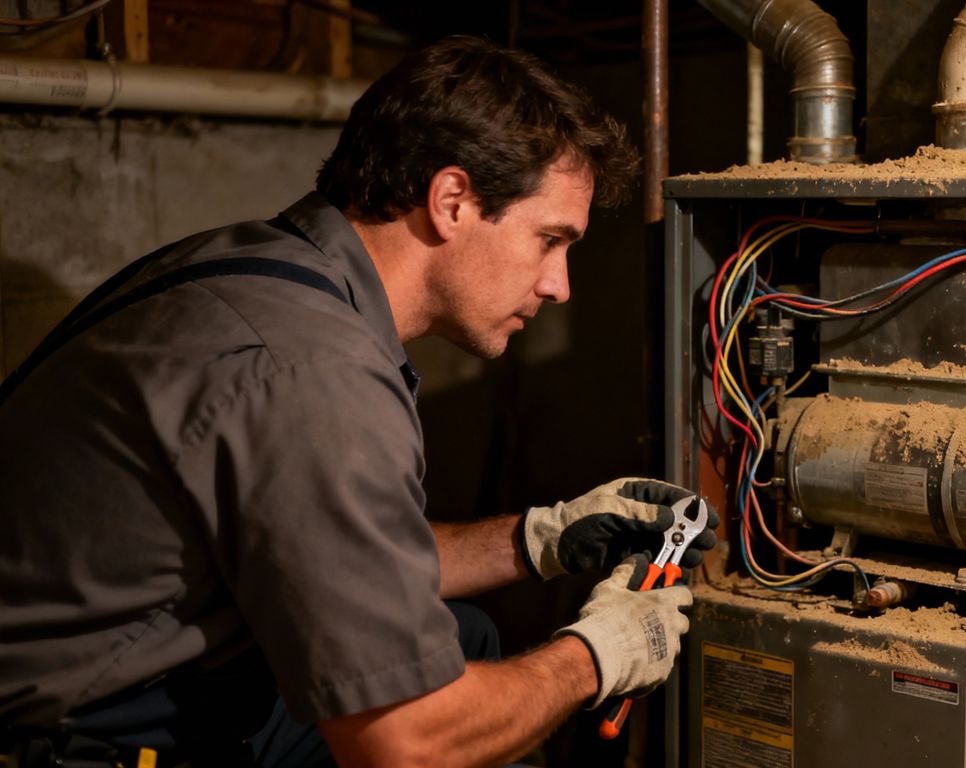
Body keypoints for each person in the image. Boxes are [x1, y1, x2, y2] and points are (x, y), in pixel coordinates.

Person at [0, 35, 716, 767]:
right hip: (69, 738)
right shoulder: (313, 371)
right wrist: (598, 654)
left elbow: (334, 549)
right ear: (453, 202)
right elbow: (404, 746)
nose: (560, 284)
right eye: (550, 240)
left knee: (463, 637)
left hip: (121, 667)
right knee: (448, 709)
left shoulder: (260, 268)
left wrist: (540, 537)